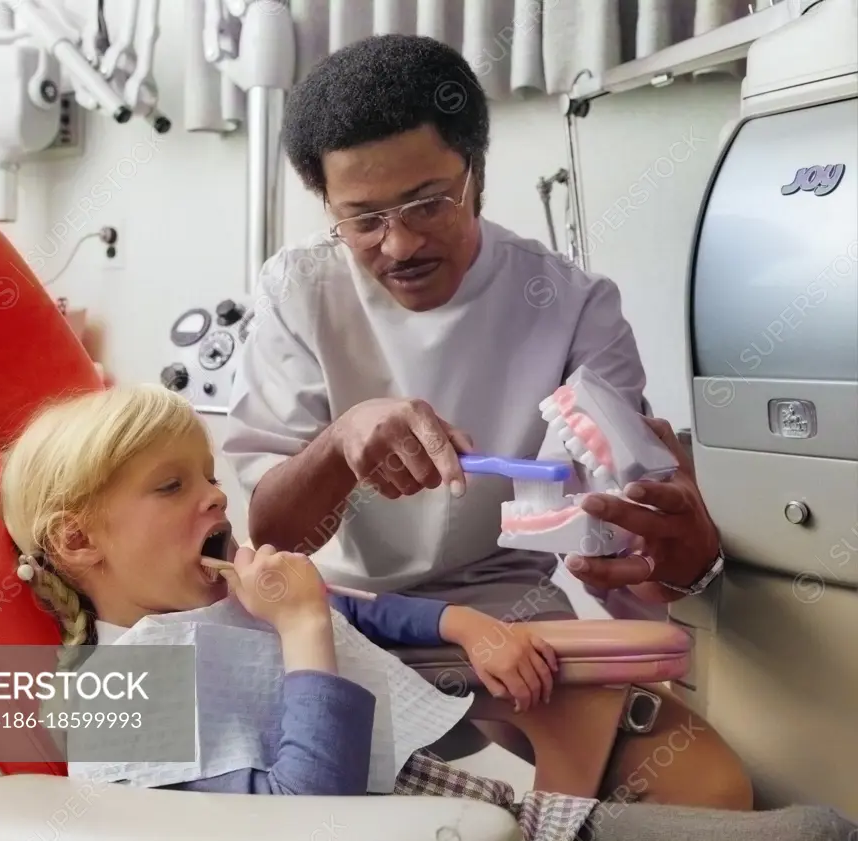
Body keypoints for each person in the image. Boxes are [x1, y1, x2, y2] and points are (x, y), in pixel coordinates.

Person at [222, 33, 745, 808]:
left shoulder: (570, 305)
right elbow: (276, 537)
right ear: (326, 206)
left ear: (478, 175)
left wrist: (678, 547)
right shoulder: (300, 290)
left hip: (511, 611)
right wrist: (340, 442)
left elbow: (649, 551)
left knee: (710, 787)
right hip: (337, 613)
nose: (399, 243)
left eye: (429, 202)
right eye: (362, 219)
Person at [0, 385, 856, 841]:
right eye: (172, 485)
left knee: (817, 824)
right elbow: (303, 818)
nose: (218, 495)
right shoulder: (122, 696)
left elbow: (360, 614)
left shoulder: (228, 597)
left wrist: (461, 625)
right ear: (78, 540)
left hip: (492, 808)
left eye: (208, 471)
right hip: (436, 823)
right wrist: (298, 630)